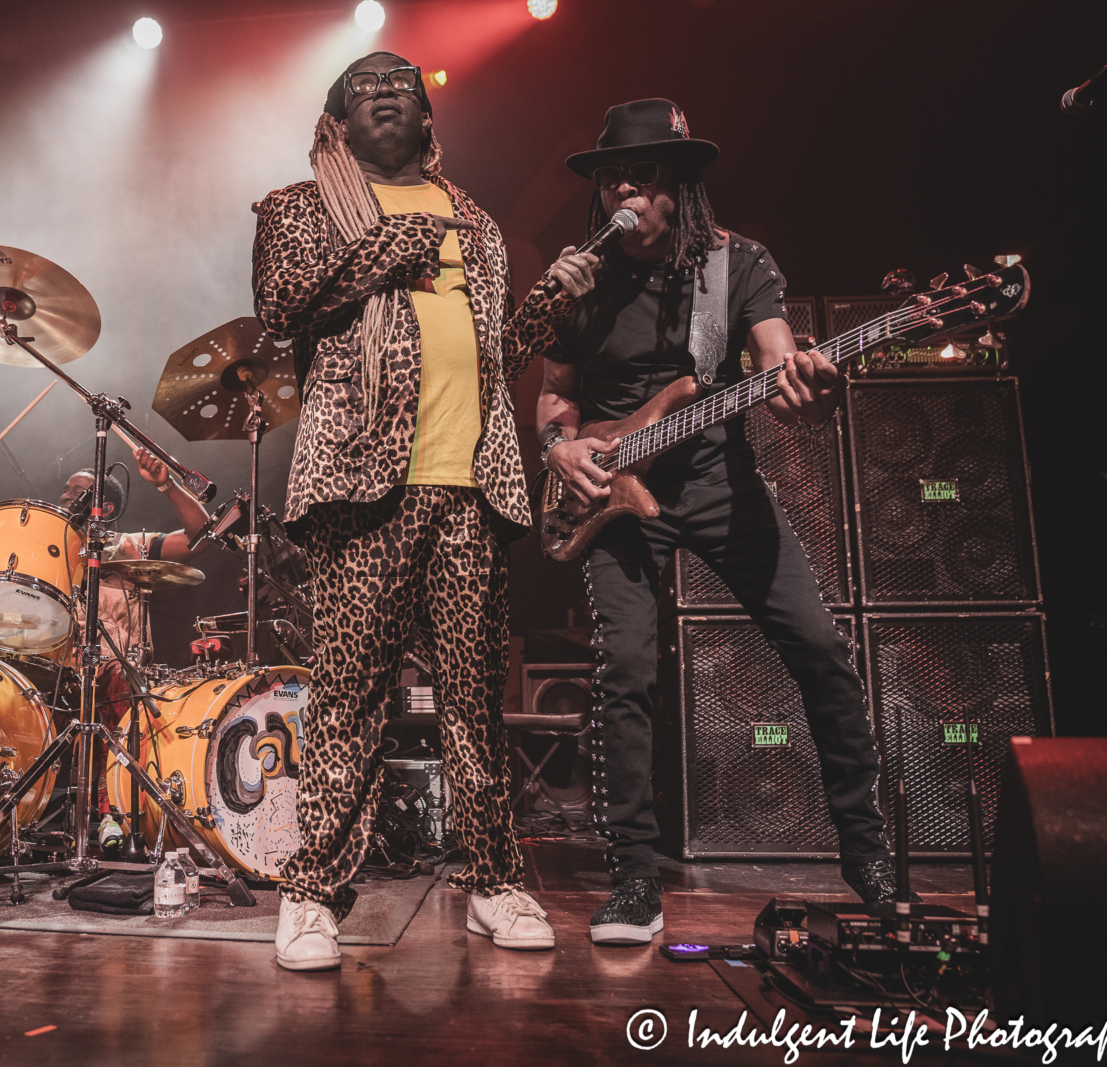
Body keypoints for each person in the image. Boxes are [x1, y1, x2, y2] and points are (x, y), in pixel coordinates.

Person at [253, 52, 598, 971]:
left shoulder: (474, 219)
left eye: (401, 81)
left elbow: (495, 354)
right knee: (347, 701)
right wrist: (381, 252)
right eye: (363, 86)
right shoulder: (300, 206)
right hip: (365, 487)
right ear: (335, 121)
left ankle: (493, 881)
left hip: (472, 487)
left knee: (475, 704)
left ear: (426, 112)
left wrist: (551, 302)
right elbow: (280, 304)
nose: (385, 89)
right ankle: (313, 894)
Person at [535, 98, 904, 947]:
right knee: (626, 668)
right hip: (612, 494)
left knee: (819, 645)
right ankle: (633, 874)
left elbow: (778, 365)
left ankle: (868, 855)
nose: (623, 189)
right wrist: (562, 448)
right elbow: (555, 397)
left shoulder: (736, 266)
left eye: (643, 175)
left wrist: (810, 389)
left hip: (716, 478)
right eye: (611, 177)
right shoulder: (584, 279)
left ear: (680, 186)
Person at [0, 444, 211, 661]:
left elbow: (200, 538)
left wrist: (166, 484)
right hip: (39, 662)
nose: (66, 496)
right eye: (66, 490)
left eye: (78, 492)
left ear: (107, 508)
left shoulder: (128, 547)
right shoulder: (40, 545)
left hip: (113, 673)